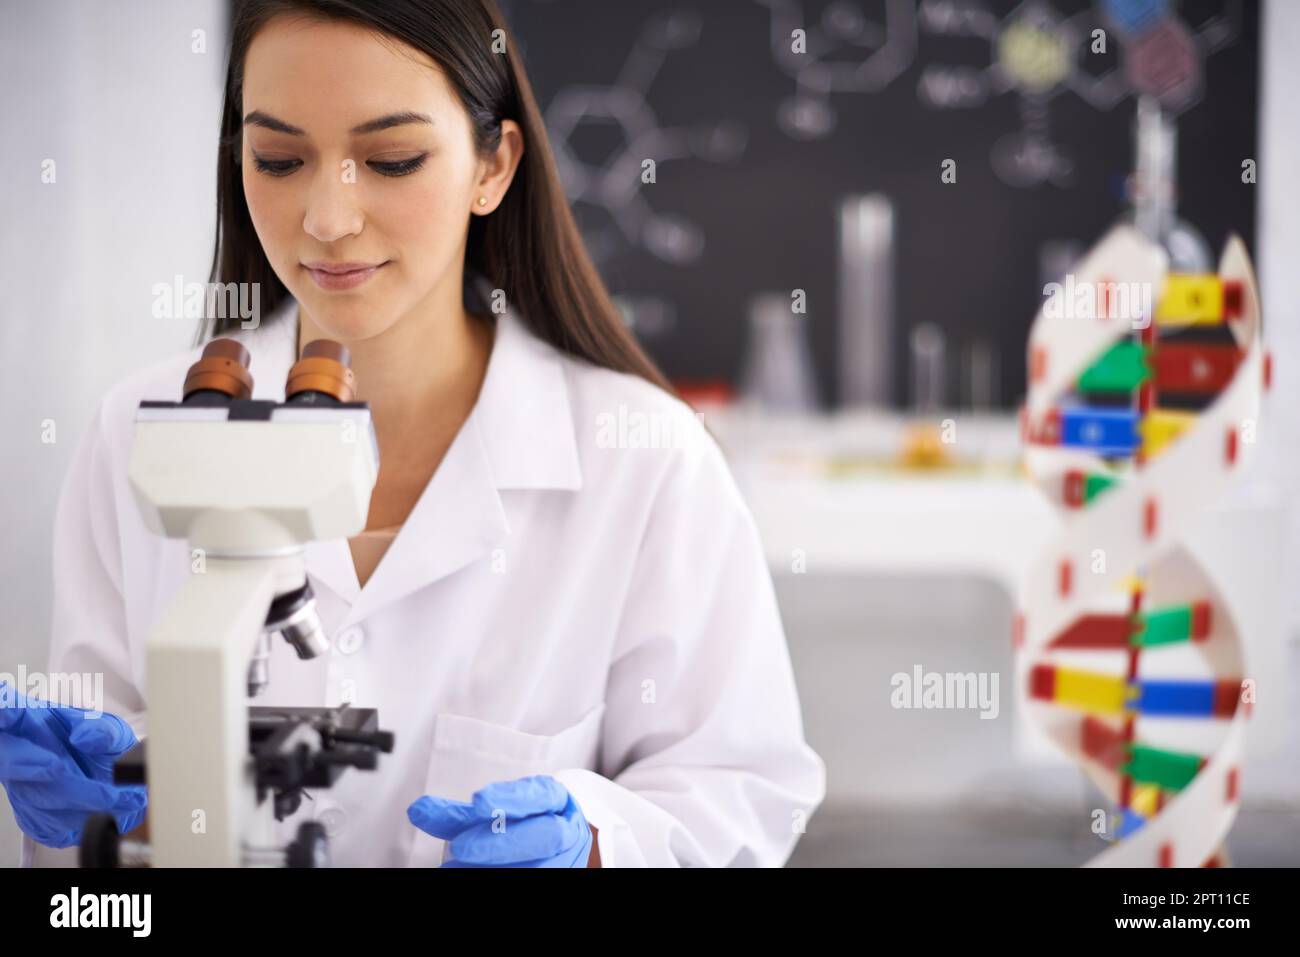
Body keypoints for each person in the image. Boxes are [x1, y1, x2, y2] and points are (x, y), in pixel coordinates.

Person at [2, 0, 824, 867]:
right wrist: (109, 811)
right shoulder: (140, 435)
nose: (326, 217)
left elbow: (740, 791)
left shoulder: (646, 462)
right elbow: (91, 852)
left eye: (390, 159)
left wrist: (593, 844)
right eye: (278, 159)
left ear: (493, 165)